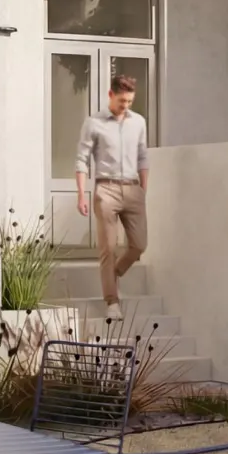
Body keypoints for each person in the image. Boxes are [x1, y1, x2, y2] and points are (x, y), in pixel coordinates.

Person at [73, 74, 149, 321]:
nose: (125, 106)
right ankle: (112, 301)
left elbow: (142, 157)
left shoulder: (138, 122)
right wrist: (81, 195)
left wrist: (143, 191)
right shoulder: (93, 123)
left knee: (139, 245)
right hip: (105, 190)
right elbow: (81, 160)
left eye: (129, 101)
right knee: (108, 247)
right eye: (121, 101)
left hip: (133, 189)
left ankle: (113, 274)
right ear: (110, 95)